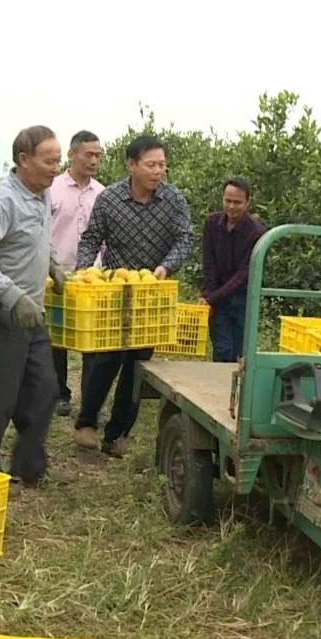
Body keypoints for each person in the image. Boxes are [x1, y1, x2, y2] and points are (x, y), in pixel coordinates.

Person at [0, 125, 66, 487]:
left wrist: (52, 263)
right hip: (0, 309)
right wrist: (12, 295)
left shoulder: (42, 194)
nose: (56, 168)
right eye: (49, 161)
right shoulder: (4, 200)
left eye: (58, 161)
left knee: (46, 387)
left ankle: (27, 464)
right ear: (24, 160)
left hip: (30, 310)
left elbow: (39, 235)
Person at [73, 135, 194, 457]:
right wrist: (86, 272)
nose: (158, 172)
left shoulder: (173, 200)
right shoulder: (110, 199)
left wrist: (165, 267)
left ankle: (118, 433)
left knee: (138, 365)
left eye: (162, 165)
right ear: (131, 165)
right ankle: (87, 422)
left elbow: (184, 239)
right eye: (151, 164)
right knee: (105, 359)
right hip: (114, 292)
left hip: (150, 294)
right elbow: (91, 239)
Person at [49, 130, 105, 416]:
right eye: (88, 155)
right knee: (56, 337)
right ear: (72, 155)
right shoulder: (53, 189)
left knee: (92, 341)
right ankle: (60, 393)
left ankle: (89, 400)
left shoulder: (102, 194)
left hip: (92, 279)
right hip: (56, 277)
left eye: (98, 155)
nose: (94, 160)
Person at [200, 177, 265, 362]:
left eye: (237, 202)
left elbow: (244, 275)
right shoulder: (212, 224)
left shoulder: (256, 232)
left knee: (239, 352)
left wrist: (212, 297)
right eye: (227, 201)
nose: (231, 207)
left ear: (247, 202)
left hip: (242, 298)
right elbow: (209, 263)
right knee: (222, 350)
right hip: (218, 298)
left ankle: (237, 390)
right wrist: (208, 295)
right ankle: (218, 389)